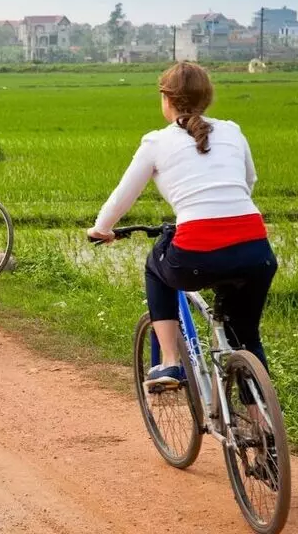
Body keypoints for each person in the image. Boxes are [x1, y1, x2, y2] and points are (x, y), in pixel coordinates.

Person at [87, 62, 277, 388]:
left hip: (197, 254)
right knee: (245, 336)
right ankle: (266, 430)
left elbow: (123, 196)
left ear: (166, 99)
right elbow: (248, 181)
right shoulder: (232, 130)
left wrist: (101, 229)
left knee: (155, 265)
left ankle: (170, 363)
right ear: (207, 98)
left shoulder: (156, 142)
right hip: (256, 250)